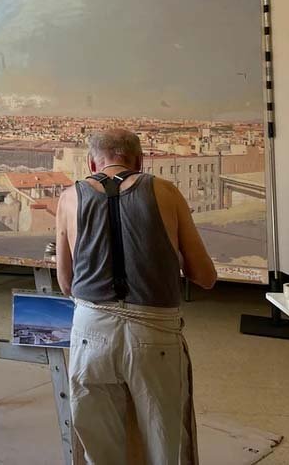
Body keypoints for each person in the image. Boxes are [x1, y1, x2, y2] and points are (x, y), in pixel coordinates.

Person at [55, 128, 217, 465]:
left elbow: (66, 282)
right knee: (166, 444)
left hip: (90, 331)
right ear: (140, 161)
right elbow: (205, 276)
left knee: (100, 449)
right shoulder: (166, 192)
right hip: (154, 334)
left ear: (91, 163)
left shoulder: (69, 197)